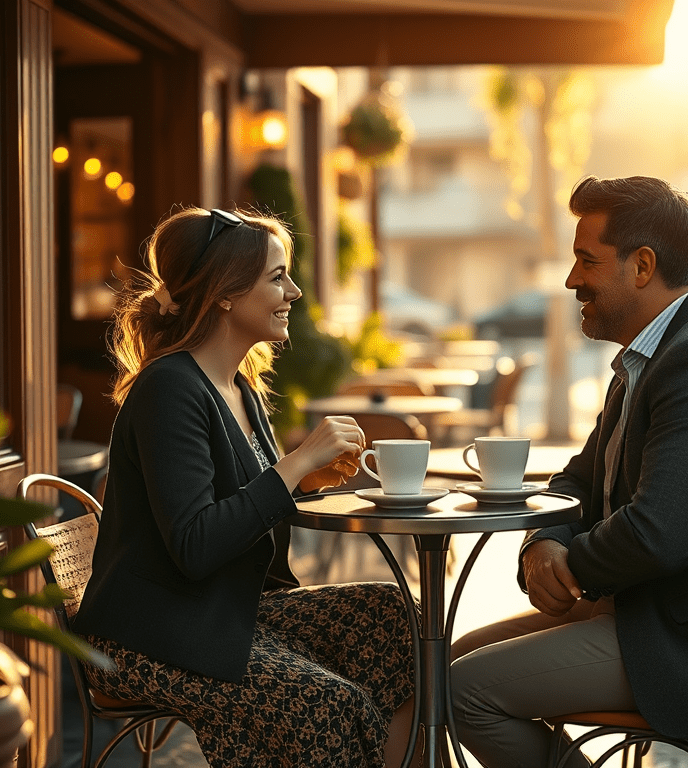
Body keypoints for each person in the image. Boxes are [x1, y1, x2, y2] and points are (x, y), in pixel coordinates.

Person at [449, 176, 688, 768]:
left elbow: (659, 533)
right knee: (452, 660)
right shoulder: (653, 355)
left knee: (466, 691)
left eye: (586, 261)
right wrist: (542, 543)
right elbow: (578, 480)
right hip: (663, 610)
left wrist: (568, 565)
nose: (571, 280)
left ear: (642, 266)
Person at [73, 206, 416, 768]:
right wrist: (292, 466)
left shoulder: (239, 388)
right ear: (226, 292)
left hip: (222, 611)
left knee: (397, 620)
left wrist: (303, 478)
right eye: (277, 277)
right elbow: (196, 544)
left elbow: (244, 509)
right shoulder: (171, 389)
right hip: (152, 634)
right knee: (327, 703)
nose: (295, 292)